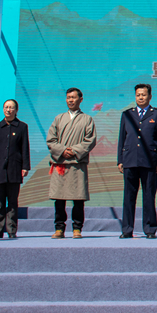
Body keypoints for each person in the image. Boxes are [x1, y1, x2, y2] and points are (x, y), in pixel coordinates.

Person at [118, 83, 157, 239]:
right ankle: (127, 229)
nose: (141, 97)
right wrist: (120, 160)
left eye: (144, 95)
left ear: (150, 97)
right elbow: (122, 138)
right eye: (138, 95)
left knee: (149, 196)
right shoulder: (127, 114)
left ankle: (150, 229)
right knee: (128, 197)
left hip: (149, 161)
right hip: (130, 160)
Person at [46, 87, 97, 239]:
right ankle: (59, 228)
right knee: (59, 198)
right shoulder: (59, 118)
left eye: (73, 97)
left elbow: (90, 140)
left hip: (77, 164)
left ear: (81, 99)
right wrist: (62, 150)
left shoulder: (87, 119)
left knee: (78, 198)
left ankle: (77, 228)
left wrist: (74, 150)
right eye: (68, 97)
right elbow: (51, 140)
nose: (70, 100)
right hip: (60, 163)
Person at [0, 99, 30, 238]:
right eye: (6, 107)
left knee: (12, 202)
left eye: (11, 107)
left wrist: (25, 166)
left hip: (14, 169)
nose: (8, 110)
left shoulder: (22, 127)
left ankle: (11, 230)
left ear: (16, 110)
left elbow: (25, 148)